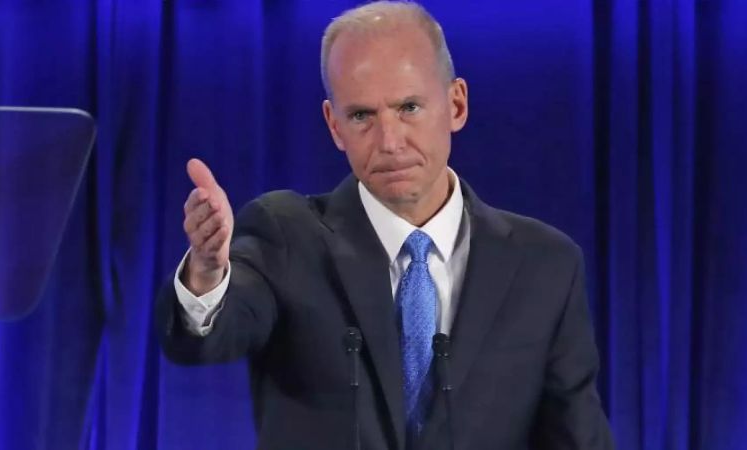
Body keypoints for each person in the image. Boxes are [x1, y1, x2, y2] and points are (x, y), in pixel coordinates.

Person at [155, 2, 613, 449]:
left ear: (455, 105)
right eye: (361, 117)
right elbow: (210, 338)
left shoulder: (544, 264)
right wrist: (209, 275)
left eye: (409, 108)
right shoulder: (286, 234)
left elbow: (576, 434)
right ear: (334, 126)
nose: (390, 142)